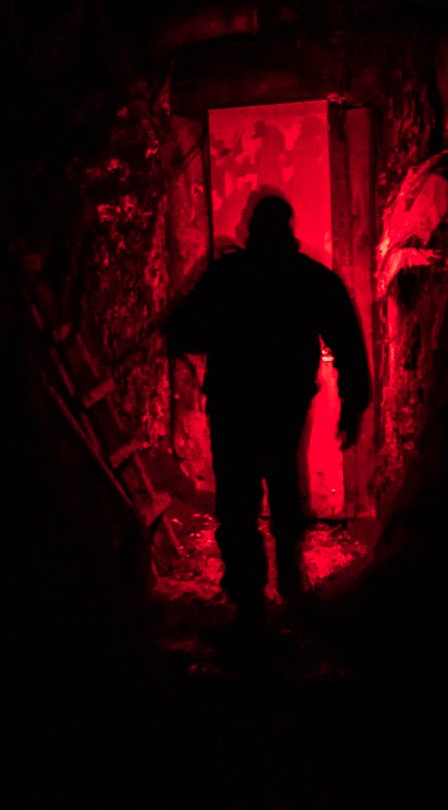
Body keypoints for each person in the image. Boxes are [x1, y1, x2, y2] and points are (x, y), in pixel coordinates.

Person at [164, 192, 370, 627]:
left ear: (251, 230)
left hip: (233, 400)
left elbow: (182, 331)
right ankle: (290, 580)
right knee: (281, 483)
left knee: (237, 498)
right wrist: (353, 404)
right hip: (284, 400)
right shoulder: (311, 278)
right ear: (288, 230)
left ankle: (249, 597)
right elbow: (348, 343)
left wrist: (217, 333)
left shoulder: (227, 276)